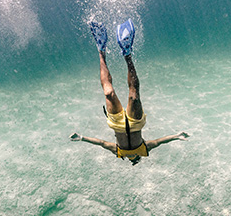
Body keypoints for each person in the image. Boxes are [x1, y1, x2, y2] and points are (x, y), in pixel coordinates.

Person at [70, 19, 188, 165]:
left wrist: (82, 138)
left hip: (117, 123)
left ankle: (101, 51)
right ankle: (127, 54)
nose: (133, 158)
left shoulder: (118, 152)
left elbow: (101, 143)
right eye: (135, 159)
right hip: (136, 123)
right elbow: (159, 142)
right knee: (134, 97)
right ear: (138, 158)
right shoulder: (144, 150)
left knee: (109, 93)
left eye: (132, 159)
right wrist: (176, 136)